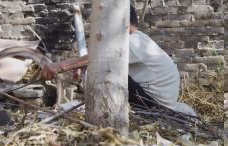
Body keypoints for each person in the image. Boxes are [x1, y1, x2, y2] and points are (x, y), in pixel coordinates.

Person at [41, 6, 197, 116]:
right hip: (152, 100)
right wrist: (82, 65)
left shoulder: (134, 41)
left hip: (154, 105)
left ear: (123, 23)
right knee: (102, 64)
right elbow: (102, 56)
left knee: (105, 68)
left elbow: (104, 56)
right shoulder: (140, 41)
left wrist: (62, 65)